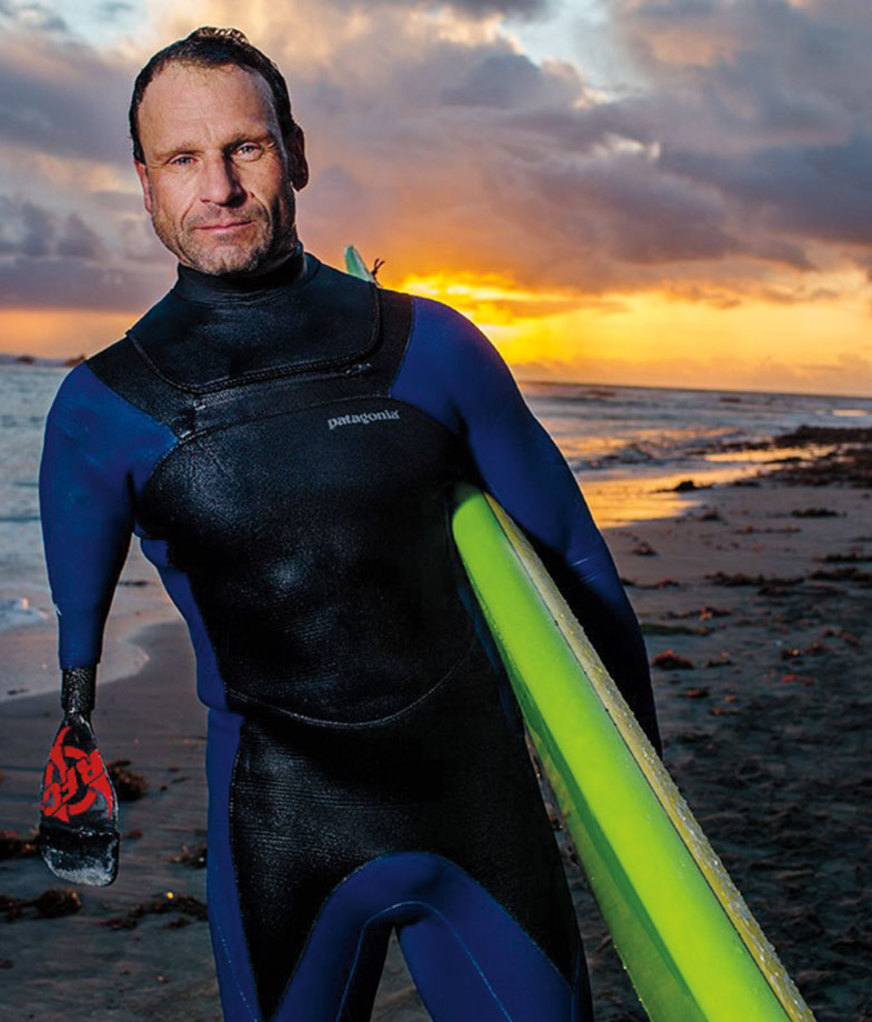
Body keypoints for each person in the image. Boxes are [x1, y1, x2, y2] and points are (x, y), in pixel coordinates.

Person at [37, 26, 660, 1022]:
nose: (221, 188)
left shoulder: (432, 347)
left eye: (245, 147)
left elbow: (578, 563)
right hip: (283, 833)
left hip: (480, 820)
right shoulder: (104, 408)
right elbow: (79, 646)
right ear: (146, 182)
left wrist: (644, 798)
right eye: (183, 158)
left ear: (296, 151)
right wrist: (74, 745)